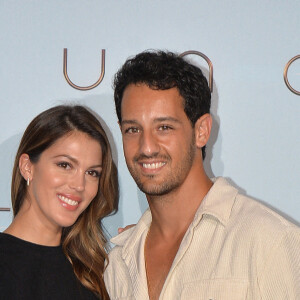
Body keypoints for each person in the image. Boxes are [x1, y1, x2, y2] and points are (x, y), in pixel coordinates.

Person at [104, 51, 300, 300]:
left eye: (164, 127)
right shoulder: (118, 262)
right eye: (132, 129)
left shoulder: (270, 242)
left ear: (202, 131)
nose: (146, 147)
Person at [0, 105, 118, 299]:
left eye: (92, 173)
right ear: (27, 167)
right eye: (65, 165)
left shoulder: (93, 272)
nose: (79, 185)